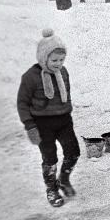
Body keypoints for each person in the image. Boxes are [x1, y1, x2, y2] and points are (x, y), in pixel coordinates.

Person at [17, 28, 80, 207]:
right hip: (42, 124)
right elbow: (22, 103)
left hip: (64, 120)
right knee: (50, 158)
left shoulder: (63, 72)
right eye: (54, 60)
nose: (58, 64)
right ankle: (51, 189)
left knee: (73, 152)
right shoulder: (31, 77)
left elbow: (66, 92)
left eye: (61, 59)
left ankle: (64, 179)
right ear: (43, 58)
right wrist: (30, 126)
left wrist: (66, 109)